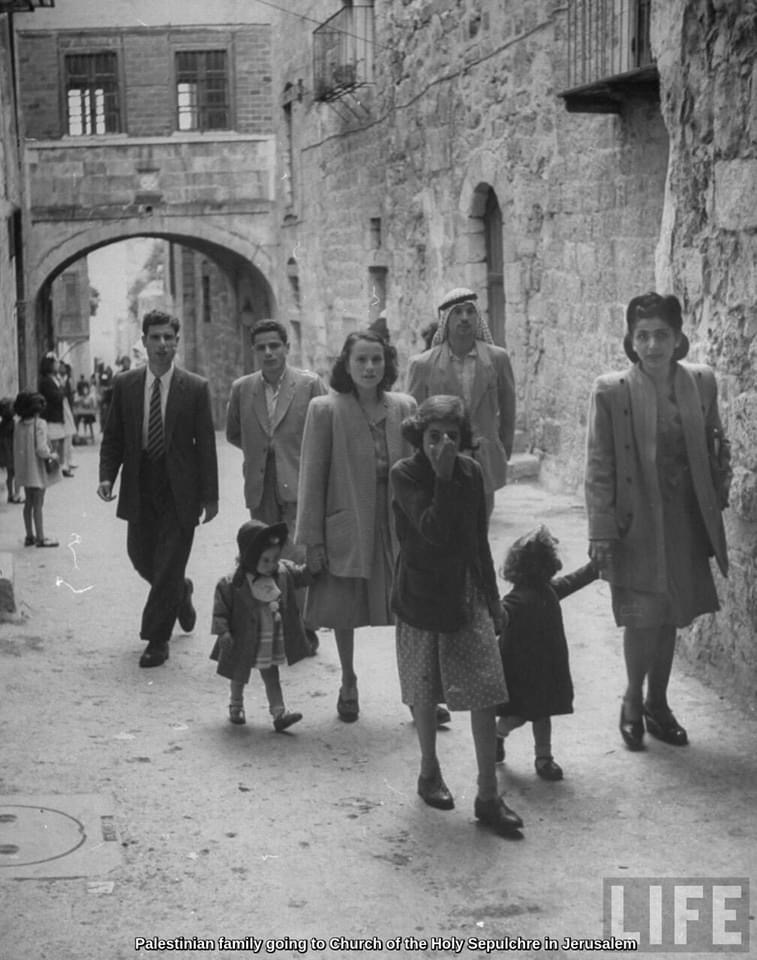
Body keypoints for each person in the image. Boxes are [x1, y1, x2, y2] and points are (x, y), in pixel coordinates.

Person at [586, 292, 730, 750]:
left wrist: (717, 489)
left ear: (678, 337)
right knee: (641, 616)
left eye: (661, 335)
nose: (652, 345)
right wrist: (601, 530)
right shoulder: (612, 391)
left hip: (683, 520)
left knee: (670, 614)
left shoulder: (701, 383)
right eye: (643, 336)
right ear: (631, 341)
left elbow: (716, 445)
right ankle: (632, 699)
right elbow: (599, 465)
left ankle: (658, 703)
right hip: (636, 524)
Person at [390, 395, 523, 835]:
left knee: (485, 688)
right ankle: (429, 771)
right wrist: (443, 477)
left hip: (465, 594)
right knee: (425, 688)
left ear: (464, 438)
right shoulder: (405, 474)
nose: (442, 445)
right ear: (419, 436)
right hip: (421, 596)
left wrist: (493, 597)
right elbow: (432, 529)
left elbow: (476, 538)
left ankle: (488, 794)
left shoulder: (471, 472)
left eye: (451, 436)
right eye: (433, 436)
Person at [296, 330, 416, 722]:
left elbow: (418, 473)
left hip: (395, 524)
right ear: (346, 365)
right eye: (361, 360)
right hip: (348, 524)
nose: (369, 367)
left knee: (410, 609)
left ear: (387, 363)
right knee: (344, 609)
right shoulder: (325, 410)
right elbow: (311, 479)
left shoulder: (404, 407)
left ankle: (418, 692)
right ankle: (348, 680)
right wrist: (312, 541)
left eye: (377, 359)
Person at [98, 309, 219, 668]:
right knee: (140, 555)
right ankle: (180, 592)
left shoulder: (195, 387)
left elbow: (206, 446)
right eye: (156, 337)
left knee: (168, 563)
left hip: (180, 489)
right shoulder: (125, 385)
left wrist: (210, 497)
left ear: (177, 342)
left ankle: (156, 639)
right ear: (144, 341)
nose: (163, 344)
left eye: (169, 337)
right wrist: (107, 476)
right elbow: (114, 436)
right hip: (141, 483)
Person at [225, 319, 326, 653]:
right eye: (261, 347)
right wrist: (260, 455)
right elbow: (235, 433)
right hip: (260, 486)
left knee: (296, 555)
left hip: (298, 483)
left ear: (286, 347)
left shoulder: (309, 385)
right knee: (262, 556)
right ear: (253, 351)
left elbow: (325, 429)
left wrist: (295, 460)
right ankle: (269, 626)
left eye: (274, 346)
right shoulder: (242, 388)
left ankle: (304, 628)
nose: (268, 352)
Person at [496, 526, 598, 780]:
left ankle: (544, 756)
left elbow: (573, 581)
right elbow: (498, 619)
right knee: (520, 716)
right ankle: (499, 735)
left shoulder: (545, 591)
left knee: (542, 714)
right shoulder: (518, 600)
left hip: (543, 669)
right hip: (523, 673)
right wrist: (594, 569)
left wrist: (593, 570)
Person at [407, 287, 516, 518]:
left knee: (481, 523)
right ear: (446, 320)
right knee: (443, 521)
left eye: (470, 311)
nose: (464, 318)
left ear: (478, 317)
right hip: (439, 457)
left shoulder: (498, 359)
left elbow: (508, 407)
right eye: (457, 312)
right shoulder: (423, 364)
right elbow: (414, 418)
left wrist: (503, 448)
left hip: (484, 456)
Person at [210, 520, 316, 730]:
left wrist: (313, 567)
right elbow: (220, 611)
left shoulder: (283, 573)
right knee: (238, 674)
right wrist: (223, 632)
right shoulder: (232, 584)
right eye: (265, 560)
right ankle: (236, 705)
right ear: (250, 558)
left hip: (269, 639)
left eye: (275, 559)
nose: (272, 564)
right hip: (244, 638)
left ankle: (279, 713)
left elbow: (302, 576)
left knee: (272, 675)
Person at [12, 391, 60, 547]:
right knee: (38, 504)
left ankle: (29, 535)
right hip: (37, 471)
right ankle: (40, 537)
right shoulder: (40, 424)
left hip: (24, 471)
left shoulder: (18, 425)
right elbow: (41, 449)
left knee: (28, 503)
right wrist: (52, 455)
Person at [38, 354, 67, 473]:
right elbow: (55, 397)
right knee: (53, 443)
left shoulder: (54, 379)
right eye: (55, 363)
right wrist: (62, 389)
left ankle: (59, 466)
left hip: (57, 416)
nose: (57, 365)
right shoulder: (46, 381)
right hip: (51, 416)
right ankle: (53, 468)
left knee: (60, 441)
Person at [0, 397, 22, 503]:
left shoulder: (2, 424)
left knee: (10, 475)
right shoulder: (14, 424)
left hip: (5, 453)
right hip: (13, 452)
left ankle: (10, 494)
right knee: (17, 474)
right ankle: (17, 495)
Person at [58, 361, 77, 475]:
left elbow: (70, 394)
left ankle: (68, 461)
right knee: (65, 437)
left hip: (67, 407)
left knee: (69, 436)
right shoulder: (59, 380)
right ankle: (64, 463)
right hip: (62, 410)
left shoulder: (67, 379)